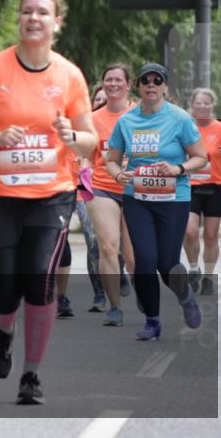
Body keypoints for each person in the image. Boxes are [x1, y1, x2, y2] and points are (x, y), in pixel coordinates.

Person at [0, 0, 97, 405]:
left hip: (50, 195)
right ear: (19, 20)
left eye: (42, 13)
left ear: (57, 23)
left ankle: (31, 374)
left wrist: (72, 137)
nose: (33, 18)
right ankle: (4, 331)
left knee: (39, 280)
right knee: (5, 291)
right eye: (26, 12)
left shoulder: (69, 75)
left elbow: (90, 142)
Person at [105, 63, 207, 341]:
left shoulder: (180, 119)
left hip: (174, 198)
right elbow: (111, 160)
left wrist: (178, 169)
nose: (151, 84)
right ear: (138, 86)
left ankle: (185, 297)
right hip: (137, 198)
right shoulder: (126, 121)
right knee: (144, 261)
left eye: (157, 80)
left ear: (165, 87)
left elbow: (201, 157)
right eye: (146, 80)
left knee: (167, 264)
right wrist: (118, 174)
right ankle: (152, 321)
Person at [86, 64, 136, 326]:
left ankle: (144, 296)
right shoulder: (92, 120)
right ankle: (115, 307)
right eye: (108, 80)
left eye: (119, 80)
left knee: (133, 257)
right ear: (103, 84)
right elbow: (84, 158)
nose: (113, 84)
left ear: (129, 85)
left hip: (136, 189)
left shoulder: (140, 115)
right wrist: (82, 189)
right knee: (107, 246)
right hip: (102, 186)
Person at [183, 88, 221, 296]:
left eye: (207, 103)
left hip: (214, 187)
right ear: (192, 105)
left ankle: (208, 277)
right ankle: (194, 267)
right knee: (190, 231)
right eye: (199, 103)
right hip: (190, 186)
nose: (203, 106)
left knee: (211, 236)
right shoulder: (185, 127)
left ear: (212, 106)